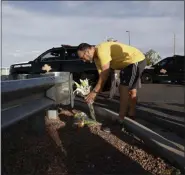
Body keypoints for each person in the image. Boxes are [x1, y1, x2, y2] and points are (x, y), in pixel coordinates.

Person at [77, 41, 146, 123]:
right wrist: (95, 94)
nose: (84, 61)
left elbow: (105, 73)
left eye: (82, 58)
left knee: (123, 88)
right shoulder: (96, 59)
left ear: (87, 51)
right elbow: (102, 77)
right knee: (131, 90)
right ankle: (131, 114)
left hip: (135, 60)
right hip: (126, 65)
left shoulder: (101, 50)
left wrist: (94, 92)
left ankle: (120, 119)